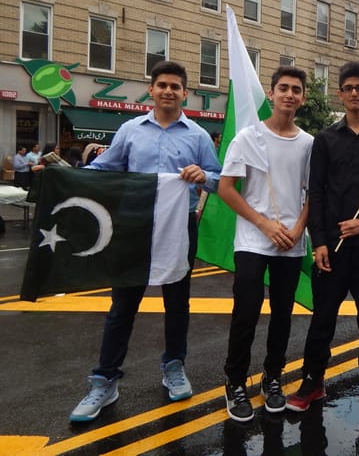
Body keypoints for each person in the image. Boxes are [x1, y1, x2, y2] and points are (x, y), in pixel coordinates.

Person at [69, 60, 221, 422]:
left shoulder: (198, 136)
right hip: (134, 226)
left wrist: (205, 176)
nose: (168, 90)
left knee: (177, 304)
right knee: (122, 306)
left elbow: (217, 178)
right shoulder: (130, 130)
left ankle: (173, 366)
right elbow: (106, 170)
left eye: (175, 86)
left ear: (185, 93)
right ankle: (105, 380)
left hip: (179, 226)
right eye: (162, 84)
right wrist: (67, 178)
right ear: (150, 90)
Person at [286, 61, 359, 420]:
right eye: (348, 87)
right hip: (330, 249)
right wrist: (318, 241)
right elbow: (315, 192)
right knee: (323, 319)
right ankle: (312, 381)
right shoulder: (324, 139)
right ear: (340, 93)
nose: (354, 93)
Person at [218, 66, 313, 422]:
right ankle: (235, 380)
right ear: (271, 94)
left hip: (291, 243)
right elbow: (227, 188)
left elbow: (312, 194)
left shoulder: (308, 144)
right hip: (253, 241)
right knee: (246, 312)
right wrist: (263, 224)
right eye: (283, 88)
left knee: (283, 316)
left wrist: (298, 229)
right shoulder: (247, 138)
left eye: (296, 90)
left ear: (302, 98)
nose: (289, 94)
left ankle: (272, 378)